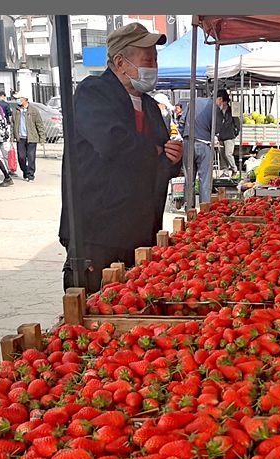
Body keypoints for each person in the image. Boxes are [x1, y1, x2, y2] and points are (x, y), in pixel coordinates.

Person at [59, 22, 183, 292]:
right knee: (95, 311)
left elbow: (158, 160)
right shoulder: (93, 93)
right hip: (99, 235)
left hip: (141, 233)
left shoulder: (150, 106)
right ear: (120, 61)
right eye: (147, 58)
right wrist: (155, 150)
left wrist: (172, 158)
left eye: (155, 58)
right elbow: (113, 143)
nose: (153, 65)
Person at [11, 92, 45, 181]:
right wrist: (12, 136)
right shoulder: (16, 110)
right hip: (20, 138)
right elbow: (12, 124)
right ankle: (25, 171)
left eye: (20, 98)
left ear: (25, 99)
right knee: (21, 157)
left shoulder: (33, 110)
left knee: (31, 157)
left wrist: (42, 138)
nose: (18, 100)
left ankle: (31, 175)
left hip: (31, 138)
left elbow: (39, 124)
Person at [214, 90, 240, 177]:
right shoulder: (218, 111)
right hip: (221, 136)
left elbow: (237, 123)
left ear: (225, 101)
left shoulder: (231, 110)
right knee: (222, 155)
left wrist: (235, 132)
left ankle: (234, 169)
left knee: (228, 154)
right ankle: (225, 171)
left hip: (229, 136)